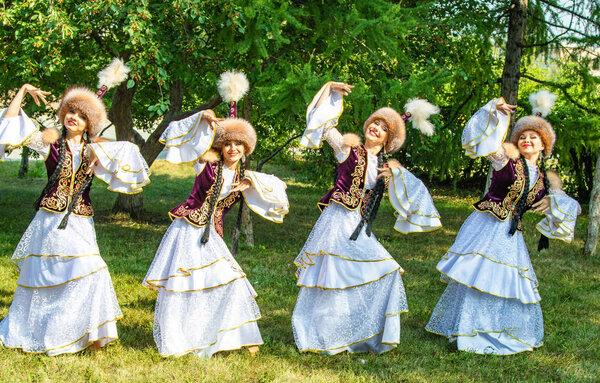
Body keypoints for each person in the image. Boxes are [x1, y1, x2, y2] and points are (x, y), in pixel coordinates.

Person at [0, 60, 151, 355]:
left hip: (80, 220)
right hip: (49, 219)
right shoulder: (50, 144)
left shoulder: (96, 148)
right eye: (71, 111)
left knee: (92, 270)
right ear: (63, 113)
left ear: (89, 124)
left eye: (82, 116)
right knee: (45, 278)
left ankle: (91, 335)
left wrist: (100, 153)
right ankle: (48, 332)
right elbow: (11, 121)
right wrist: (23, 90)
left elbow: (131, 153)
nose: (74, 118)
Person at [143, 72, 289, 358]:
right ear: (220, 147)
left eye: (239, 145)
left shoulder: (246, 177)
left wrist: (253, 183)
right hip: (188, 231)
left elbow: (279, 191)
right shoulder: (206, 165)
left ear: (246, 148)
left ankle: (244, 337)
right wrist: (203, 117)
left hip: (213, 236)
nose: (233, 149)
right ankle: (181, 338)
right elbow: (173, 133)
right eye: (228, 144)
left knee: (230, 280)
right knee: (185, 285)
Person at [425, 91, 581, 354]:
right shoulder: (504, 161)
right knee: (480, 277)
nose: (528, 140)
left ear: (544, 146)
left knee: (505, 282)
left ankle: (497, 330)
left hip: (511, 235)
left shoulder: (546, 181)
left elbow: (572, 207)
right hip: (487, 226)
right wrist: (493, 111)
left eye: (534, 137)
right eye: (523, 136)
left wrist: (553, 203)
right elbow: (482, 140)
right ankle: (468, 332)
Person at [292, 81, 442, 354]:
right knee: (331, 275)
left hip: (359, 226)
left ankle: (358, 331)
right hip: (338, 220)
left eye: (384, 128)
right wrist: (330, 90)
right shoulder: (347, 149)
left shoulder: (388, 167)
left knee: (387, 270)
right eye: (375, 123)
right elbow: (323, 125)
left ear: (388, 140)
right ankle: (323, 335)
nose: (377, 128)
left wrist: (396, 177)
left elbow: (412, 191)